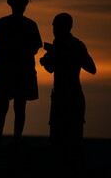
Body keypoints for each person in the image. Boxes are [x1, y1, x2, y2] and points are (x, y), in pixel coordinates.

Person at [0, 0, 42, 146]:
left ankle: (8, 141)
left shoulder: (7, 23)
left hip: (15, 71)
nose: (22, 6)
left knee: (13, 107)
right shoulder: (23, 24)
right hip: (12, 71)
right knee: (10, 107)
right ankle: (6, 141)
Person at [40, 13, 96, 148]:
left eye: (57, 27)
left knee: (73, 137)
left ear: (66, 27)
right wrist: (48, 59)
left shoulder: (76, 45)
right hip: (59, 95)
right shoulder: (58, 45)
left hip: (72, 96)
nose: (54, 31)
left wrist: (67, 54)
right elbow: (50, 68)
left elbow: (92, 68)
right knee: (56, 137)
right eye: (54, 27)